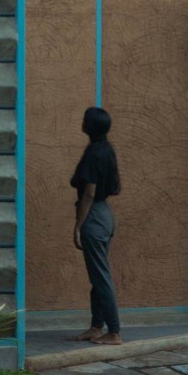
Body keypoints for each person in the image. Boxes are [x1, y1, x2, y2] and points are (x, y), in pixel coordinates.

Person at [71, 105, 122, 345]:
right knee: (97, 277)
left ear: (89, 126)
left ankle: (113, 331)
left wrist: (78, 225)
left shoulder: (94, 154)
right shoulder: (105, 149)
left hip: (94, 216)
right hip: (105, 216)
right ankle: (96, 327)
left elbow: (88, 194)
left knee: (101, 278)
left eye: (84, 118)